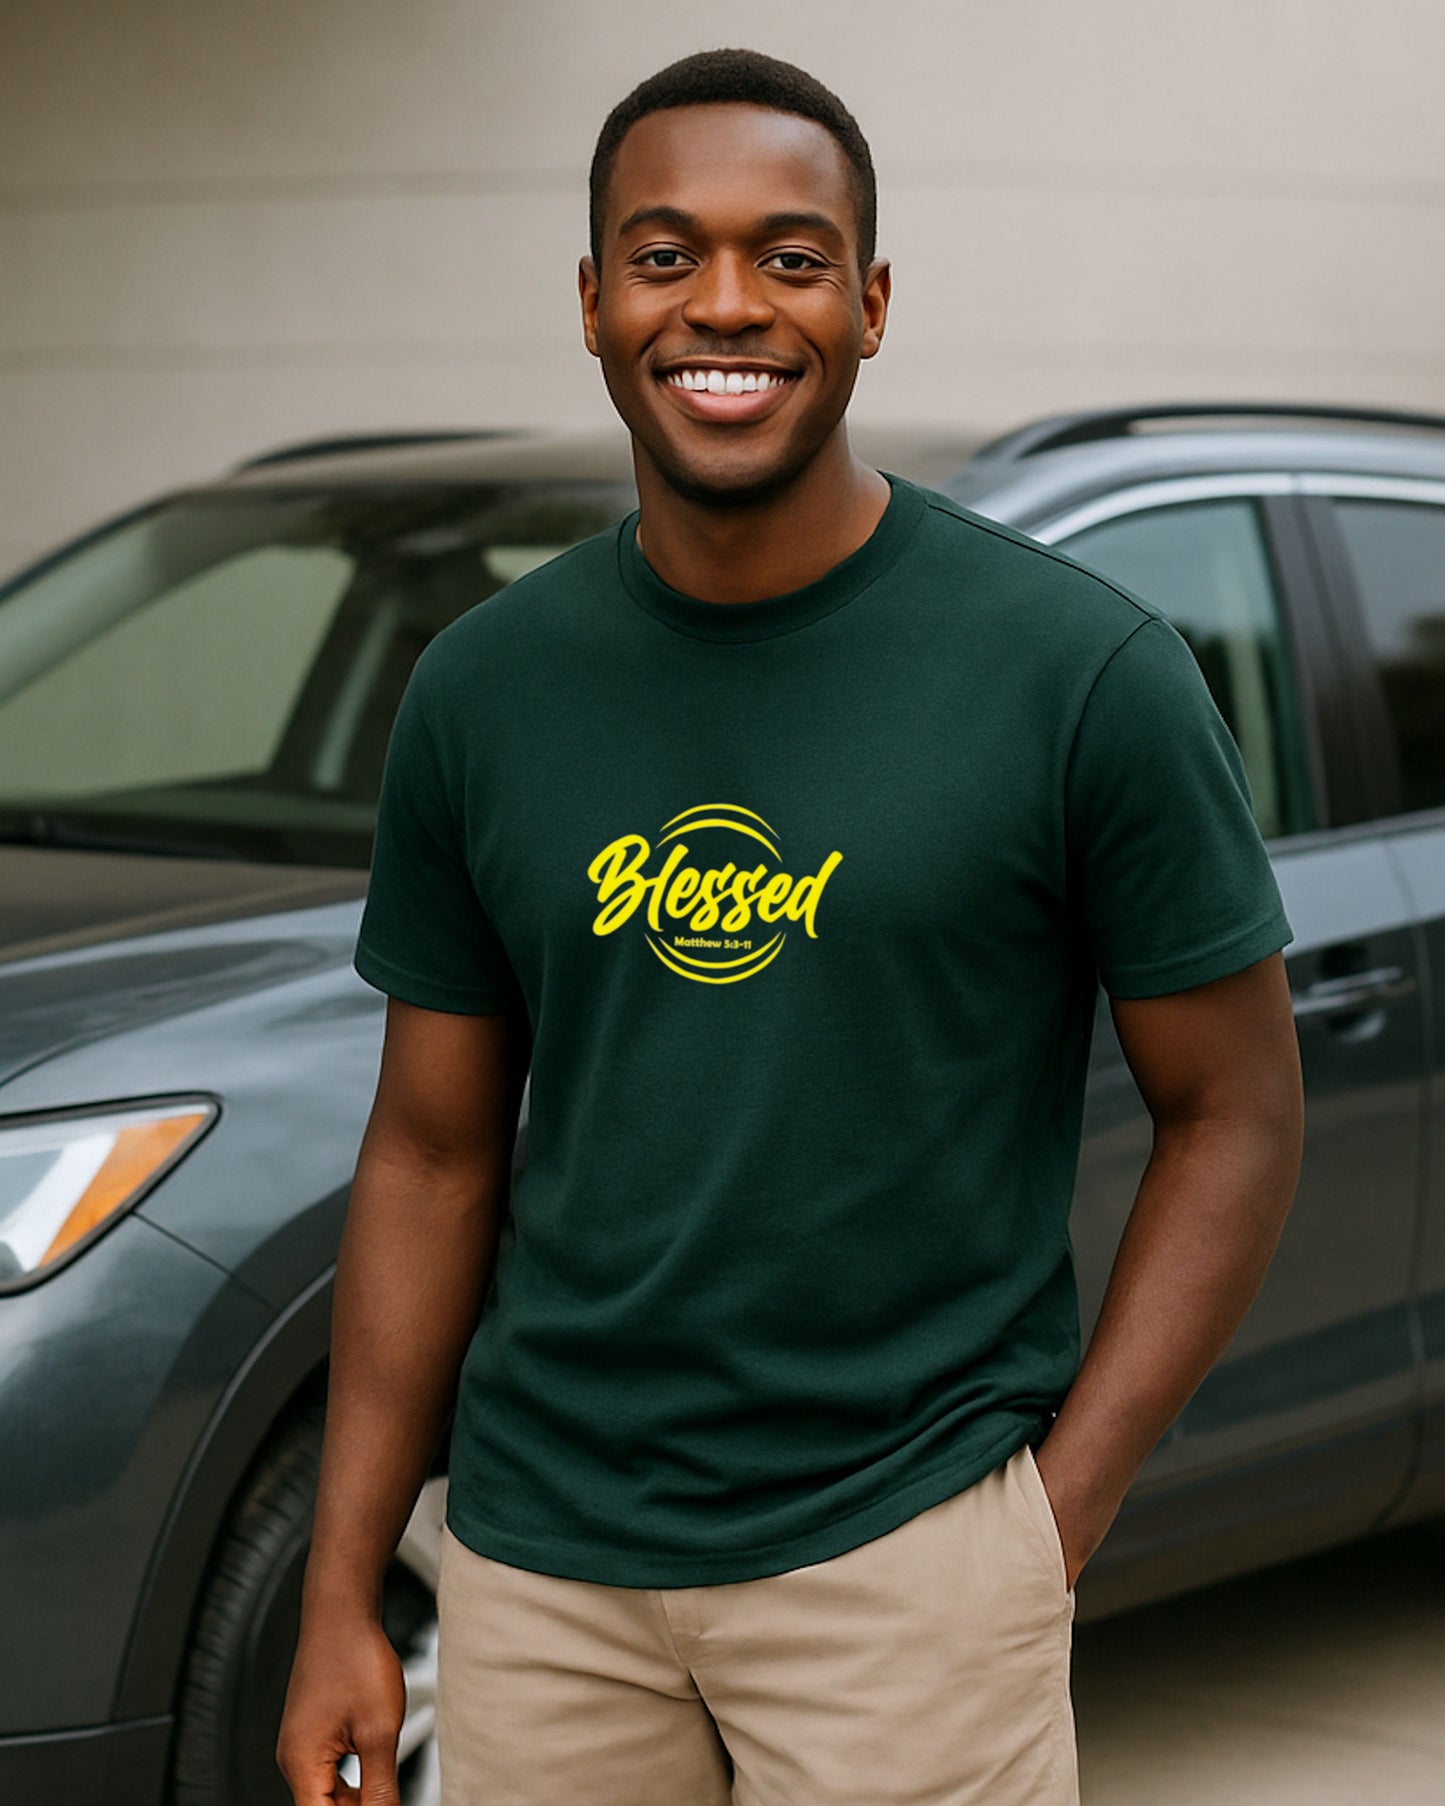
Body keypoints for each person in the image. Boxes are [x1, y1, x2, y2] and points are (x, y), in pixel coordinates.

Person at [278, 46, 1304, 1806]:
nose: (727, 305)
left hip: (905, 1552)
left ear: (873, 301)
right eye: (666, 255)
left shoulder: (1079, 676)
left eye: (792, 254)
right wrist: (338, 1592)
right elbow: (432, 1154)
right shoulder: (484, 691)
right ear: (592, 302)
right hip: (543, 1572)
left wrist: (1049, 1519)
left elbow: (1238, 1113)